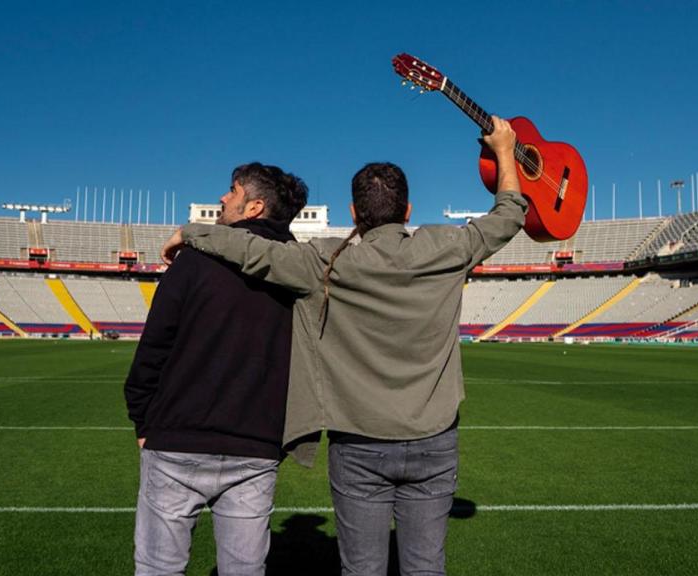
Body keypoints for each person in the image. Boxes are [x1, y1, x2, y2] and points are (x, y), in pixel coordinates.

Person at [161, 117, 526, 575]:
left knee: (362, 569)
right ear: (408, 210)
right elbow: (511, 212)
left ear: (354, 213)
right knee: (426, 566)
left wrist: (192, 233)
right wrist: (506, 151)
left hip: (357, 444)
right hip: (434, 438)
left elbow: (255, 252)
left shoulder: (326, 261)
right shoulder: (445, 247)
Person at [125, 162, 308, 576]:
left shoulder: (193, 262)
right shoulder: (299, 270)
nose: (223, 198)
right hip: (256, 445)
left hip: (177, 440)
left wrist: (141, 421)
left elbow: (153, 348)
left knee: (158, 569)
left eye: (233, 191)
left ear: (254, 207)